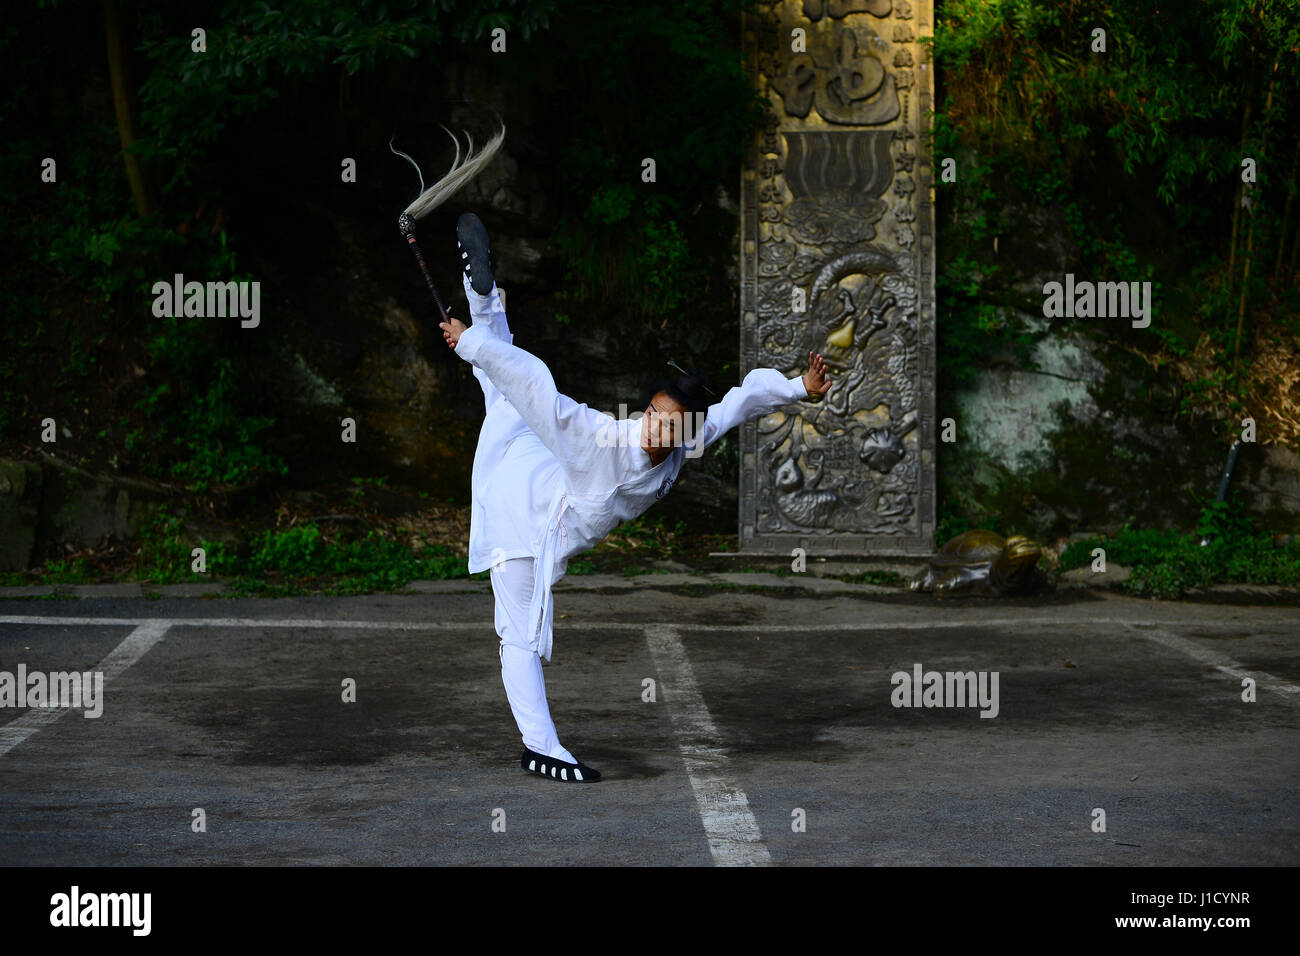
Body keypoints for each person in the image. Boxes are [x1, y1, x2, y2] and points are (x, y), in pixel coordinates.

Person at [439, 213, 831, 782]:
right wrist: (471, 343)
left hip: (545, 469)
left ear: (688, 434)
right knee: (519, 633)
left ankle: (483, 303)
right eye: (652, 415)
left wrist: (799, 388)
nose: (654, 430)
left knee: (503, 398)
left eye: (669, 425)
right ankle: (542, 748)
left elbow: (740, 401)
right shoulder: (603, 442)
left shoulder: (686, 443)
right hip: (522, 509)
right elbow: (537, 385)